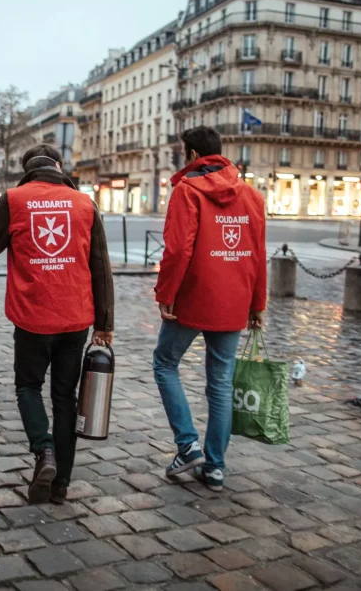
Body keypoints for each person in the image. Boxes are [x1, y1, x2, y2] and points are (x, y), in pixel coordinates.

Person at [0, 144, 114, 504]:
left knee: (28, 387)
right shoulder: (84, 203)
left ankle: (44, 451)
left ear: (28, 169)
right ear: (59, 166)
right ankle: (61, 485)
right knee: (65, 398)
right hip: (76, 317)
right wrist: (105, 323)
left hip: (32, 315)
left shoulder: (14, 198)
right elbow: (100, 264)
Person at [152, 126, 267, 492]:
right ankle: (215, 467)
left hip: (193, 298)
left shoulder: (187, 192)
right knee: (220, 383)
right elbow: (258, 254)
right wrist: (257, 303)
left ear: (191, 155)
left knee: (165, 363)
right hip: (234, 300)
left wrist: (165, 293)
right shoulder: (251, 196)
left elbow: (178, 250)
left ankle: (187, 445)